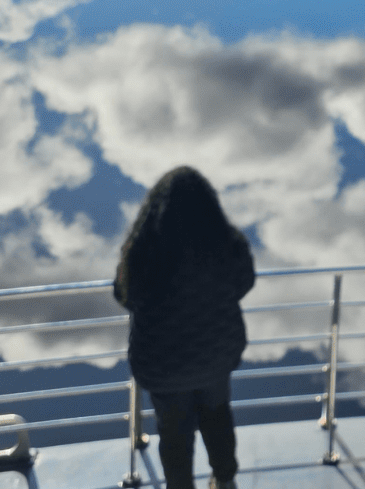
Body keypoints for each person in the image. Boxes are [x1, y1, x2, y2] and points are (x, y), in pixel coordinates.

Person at [113, 166, 256, 489]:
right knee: (217, 416)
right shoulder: (228, 243)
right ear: (210, 204)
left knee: (174, 433)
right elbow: (244, 282)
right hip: (216, 357)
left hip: (163, 367)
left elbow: (124, 296)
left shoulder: (140, 251)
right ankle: (225, 479)